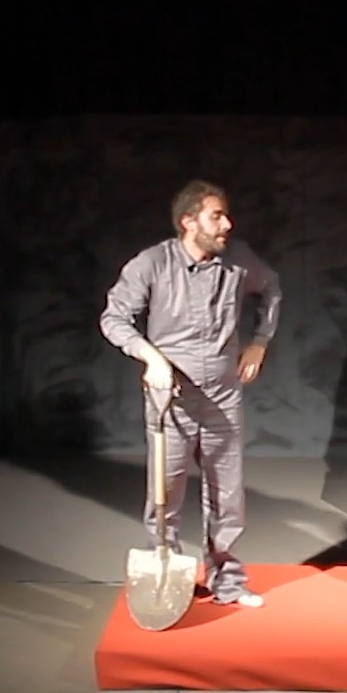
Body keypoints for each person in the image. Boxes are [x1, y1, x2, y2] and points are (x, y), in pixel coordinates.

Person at [100, 179, 281, 608]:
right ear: (188, 222)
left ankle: (228, 581)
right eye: (216, 216)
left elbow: (272, 288)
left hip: (222, 395)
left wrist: (259, 342)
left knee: (227, 494)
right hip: (172, 401)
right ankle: (169, 578)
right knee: (165, 494)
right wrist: (150, 356)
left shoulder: (238, 260)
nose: (227, 224)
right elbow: (114, 318)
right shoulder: (153, 264)